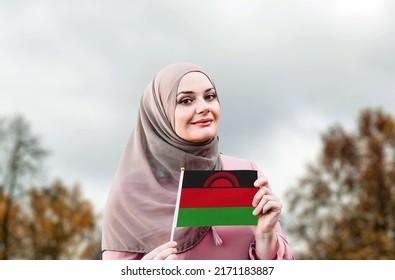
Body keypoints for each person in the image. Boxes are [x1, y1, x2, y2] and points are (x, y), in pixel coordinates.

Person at [101, 62, 294, 260]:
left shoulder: (243, 173)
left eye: (210, 97)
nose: (203, 108)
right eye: (186, 100)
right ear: (159, 113)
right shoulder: (131, 191)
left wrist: (266, 238)